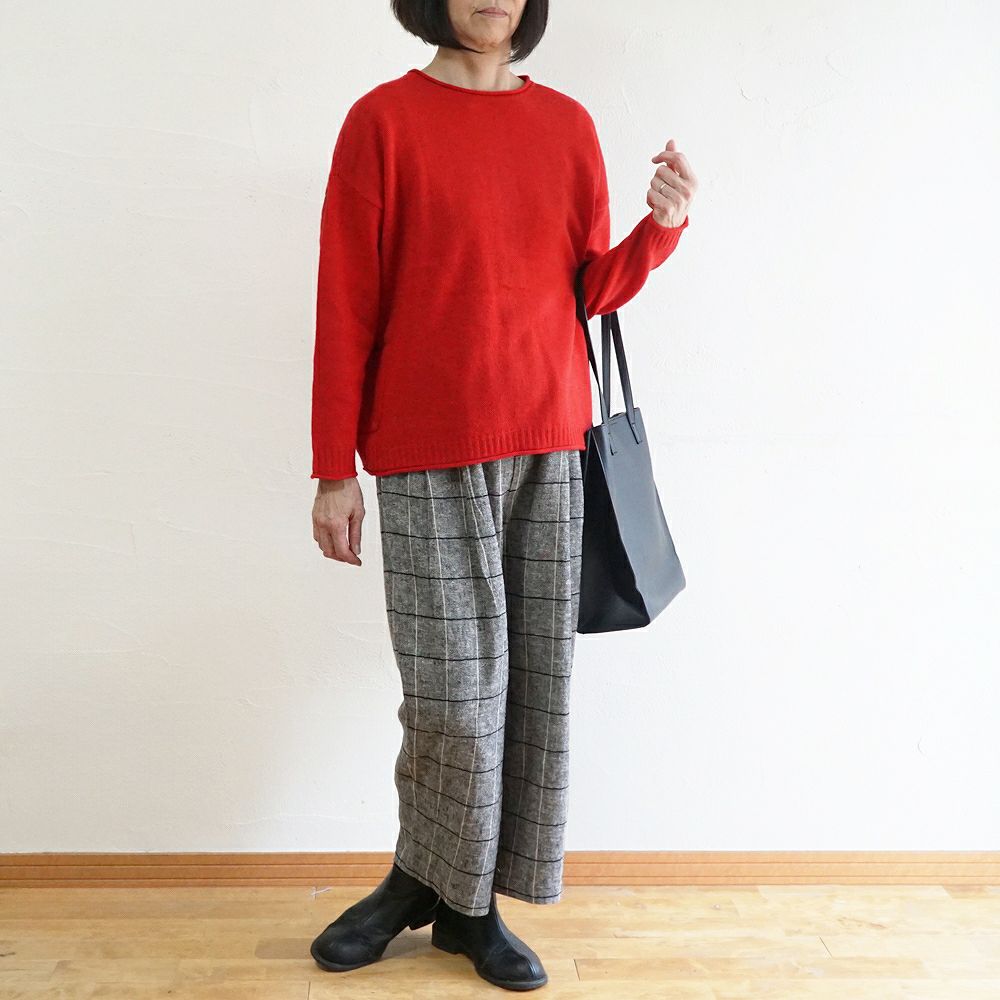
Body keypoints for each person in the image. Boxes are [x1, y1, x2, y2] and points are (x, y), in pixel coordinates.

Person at [308, 0, 697, 990]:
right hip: (423, 449)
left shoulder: (565, 124)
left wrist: (660, 228)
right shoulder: (382, 121)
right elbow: (346, 300)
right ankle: (423, 883)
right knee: (450, 699)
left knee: (529, 693)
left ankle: (464, 904)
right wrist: (332, 467)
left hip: (548, 441)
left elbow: (589, 289)